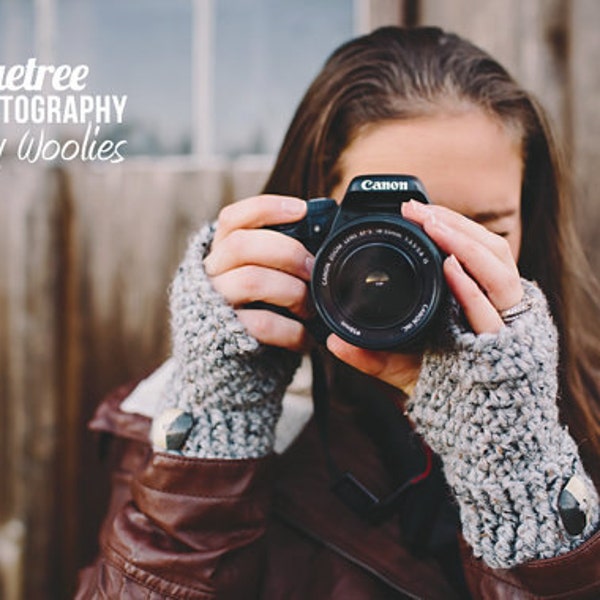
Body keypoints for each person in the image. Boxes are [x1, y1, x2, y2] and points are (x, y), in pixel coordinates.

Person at [76, 26, 600, 599]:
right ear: (314, 223)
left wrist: (518, 464)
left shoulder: (583, 412)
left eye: (481, 231)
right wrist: (216, 434)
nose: (425, 264)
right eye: (394, 233)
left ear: (529, 217)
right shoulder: (173, 422)